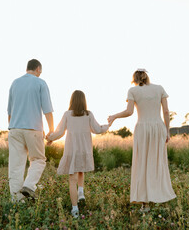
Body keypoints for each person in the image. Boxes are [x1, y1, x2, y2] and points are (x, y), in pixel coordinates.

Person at [108, 69, 176, 212]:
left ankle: (145, 204)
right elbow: (166, 112)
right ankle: (159, 197)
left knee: (142, 163)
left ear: (134, 78)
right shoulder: (159, 89)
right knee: (157, 163)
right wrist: (167, 130)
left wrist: (114, 116)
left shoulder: (133, 91)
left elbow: (129, 112)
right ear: (147, 77)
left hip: (142, 129)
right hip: (158, 127)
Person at [46, 90, 109, 218]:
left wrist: (50, 138)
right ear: (83, 101)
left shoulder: (67, 114)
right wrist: (107, 126)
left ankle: (75, 209)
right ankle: (81, 191)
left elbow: (60, 132)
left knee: (72, 180)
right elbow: (97, 129)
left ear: (72, 101)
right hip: (85, 150)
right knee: (82, 170)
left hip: (72, 150)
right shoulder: (88, 114)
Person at [7, 59, 54, 202]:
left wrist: (13, 127)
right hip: (33, 129)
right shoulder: (40, 83)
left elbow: (9, 111)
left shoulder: (14, 83)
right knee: (38, 160)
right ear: (38, 68)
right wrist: (51, 130)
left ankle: (17, 201)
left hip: (14, 128)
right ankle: (28, 185)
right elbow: (47, 110)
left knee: (16, 166)